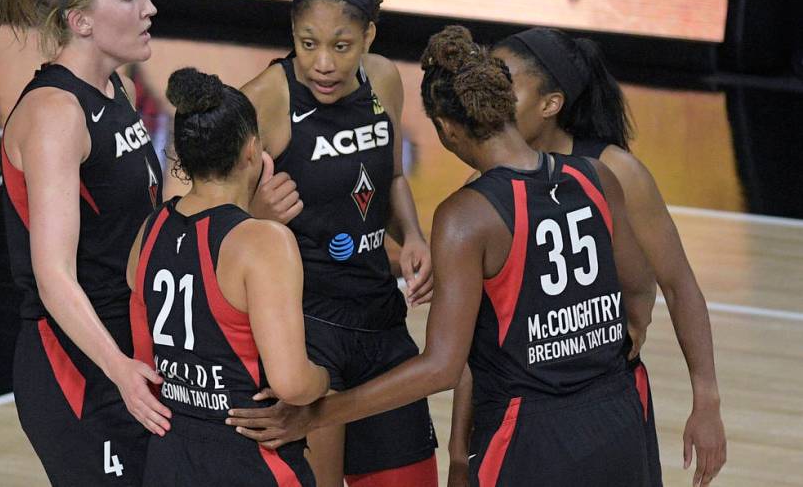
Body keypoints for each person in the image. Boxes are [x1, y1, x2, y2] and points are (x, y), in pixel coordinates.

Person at [227, 25, 659, 486]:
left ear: (448, 129)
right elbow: (639, 293)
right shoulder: (596, 177)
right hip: (621, 421)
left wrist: (316, 415)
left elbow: (441, 367)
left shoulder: (467, 215)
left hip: (531, 437)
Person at [446, 27, 726, 487]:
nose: (490, 91)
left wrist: (707, 400)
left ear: (551, 104)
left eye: (504, 80)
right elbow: (479, 342)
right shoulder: (485, 189)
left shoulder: (615, 172)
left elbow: (678, 286)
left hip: (606, 404)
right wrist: (460, 451)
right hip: (526, 416)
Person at [236, 0, 438, 486]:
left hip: (379, 315)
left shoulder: (385, 80)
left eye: (342, 46)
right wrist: (255, 212)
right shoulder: (264, 99)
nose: (323, 63)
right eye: (308, 44)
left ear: (369, 36)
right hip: (306, 325)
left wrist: (413, 236)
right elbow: (197, 213)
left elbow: (392, 175)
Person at [0, 0, 170, 485]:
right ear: (80, 21)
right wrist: (117, 369)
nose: (150, 8)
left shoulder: (114, 89)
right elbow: (54, 276)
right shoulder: (55, 114)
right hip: (79, 365)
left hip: (132, 346)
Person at [128, 67, 330, 486]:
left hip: (170, 458)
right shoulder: (262, 241)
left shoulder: (150, 231)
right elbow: (292, 383)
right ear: (253, 150)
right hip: (249, 459)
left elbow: (146, 362)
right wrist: (324, 378)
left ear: (181, 155)